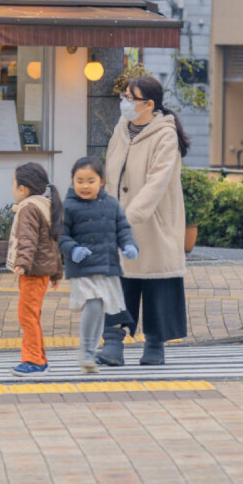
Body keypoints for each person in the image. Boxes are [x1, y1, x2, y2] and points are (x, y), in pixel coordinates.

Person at [100, 73, 190, 367]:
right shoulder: (121, 129)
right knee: (118, 282)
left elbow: (157, 183)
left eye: (131, 97)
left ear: (149, 104)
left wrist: (130, 216)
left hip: (154, 225)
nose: (124, 102)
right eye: (124, 96)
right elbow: (111, 172)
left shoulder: (165, 134)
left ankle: (155, 345)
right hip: (118, 220)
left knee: (155, 284)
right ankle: (113, 342)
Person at [59, 156, 138, 373]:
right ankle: (85, 350)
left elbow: (123, 229)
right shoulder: (68, 206)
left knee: (101, 309)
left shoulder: (112, 204)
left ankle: (91, 353)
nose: (85, 186)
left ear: (101, 181)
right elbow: (60, 235)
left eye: (90, 180)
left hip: (107, 267)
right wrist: (72, 249)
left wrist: (129, 245)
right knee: (93, 304)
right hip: (82, 267)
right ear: (73, 181)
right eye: (80, 180)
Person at [6, 159, 64, 375]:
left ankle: (34, 361)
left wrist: (21, 263)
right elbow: (52, 243)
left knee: (26, 316)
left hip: (33, 272)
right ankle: (38, 358)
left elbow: (27, 239)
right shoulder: (45, 204)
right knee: (32, 315)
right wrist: (57, 271)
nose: (12, 189)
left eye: (13, 184)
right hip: (42, 271)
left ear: (23, 188)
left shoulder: (29, 208)